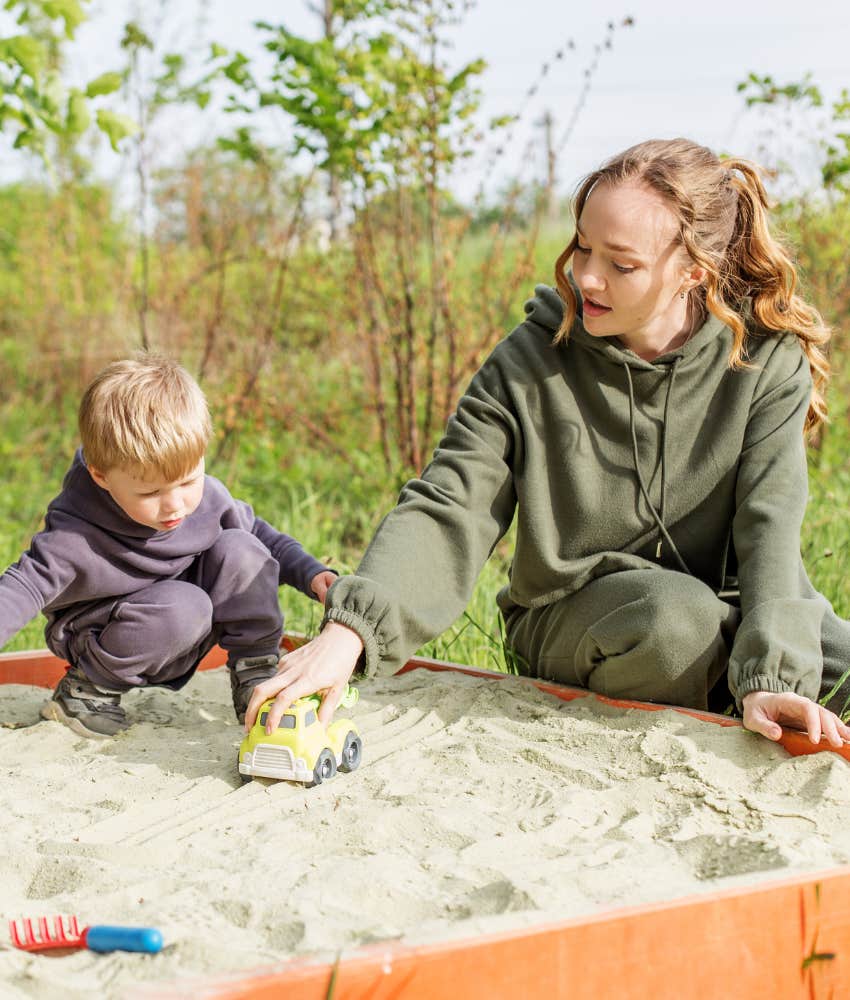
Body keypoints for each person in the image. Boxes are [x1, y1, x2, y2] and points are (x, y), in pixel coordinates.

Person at [246, 137, 850, 750]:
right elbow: (450, 505)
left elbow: (769, 528)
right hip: (579, 617)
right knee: (678, 627)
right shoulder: (530, 360)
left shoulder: (765, 357)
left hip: (733, 606)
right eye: (583, 246)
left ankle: (741, 675)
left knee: (807, 654)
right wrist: (350, 633)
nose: (586, 274)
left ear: (693, 270)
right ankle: (725, 673)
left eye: (621, 263)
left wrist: (774, 670)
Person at [0, 355, 336, 739]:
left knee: (242, 548)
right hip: (106, 631)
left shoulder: (205, 498)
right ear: (101, 475)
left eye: (188, 481)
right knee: (184, 606)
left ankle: (255, 670)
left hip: (186, 622)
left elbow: (262, 534)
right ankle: (85, 692)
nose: (174, 504)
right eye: (151, 492)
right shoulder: (75, 534)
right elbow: (22, 587)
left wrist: (311, 573)